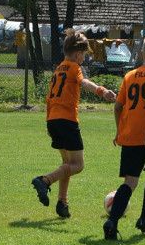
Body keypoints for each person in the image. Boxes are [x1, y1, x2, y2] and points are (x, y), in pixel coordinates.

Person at [32, 30, 116, 218]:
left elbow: (49, 98)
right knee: (78, 165)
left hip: (53, 120)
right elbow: (84, 83)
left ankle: (62, 203)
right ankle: (45, 180)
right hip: (67, 120)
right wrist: (102, 91)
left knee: (67, 164)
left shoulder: (58, 69)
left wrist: (48, 122)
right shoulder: (73, 68)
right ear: (78, 54)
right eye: (84, 55)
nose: (84, 59)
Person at [103, 33, 145, 240]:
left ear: (142, 53)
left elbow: (117, 107)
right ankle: (144, 219)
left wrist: (119, 131)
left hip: (130, 135)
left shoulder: (129, 76)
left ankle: (112, 221)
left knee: (130, 181)